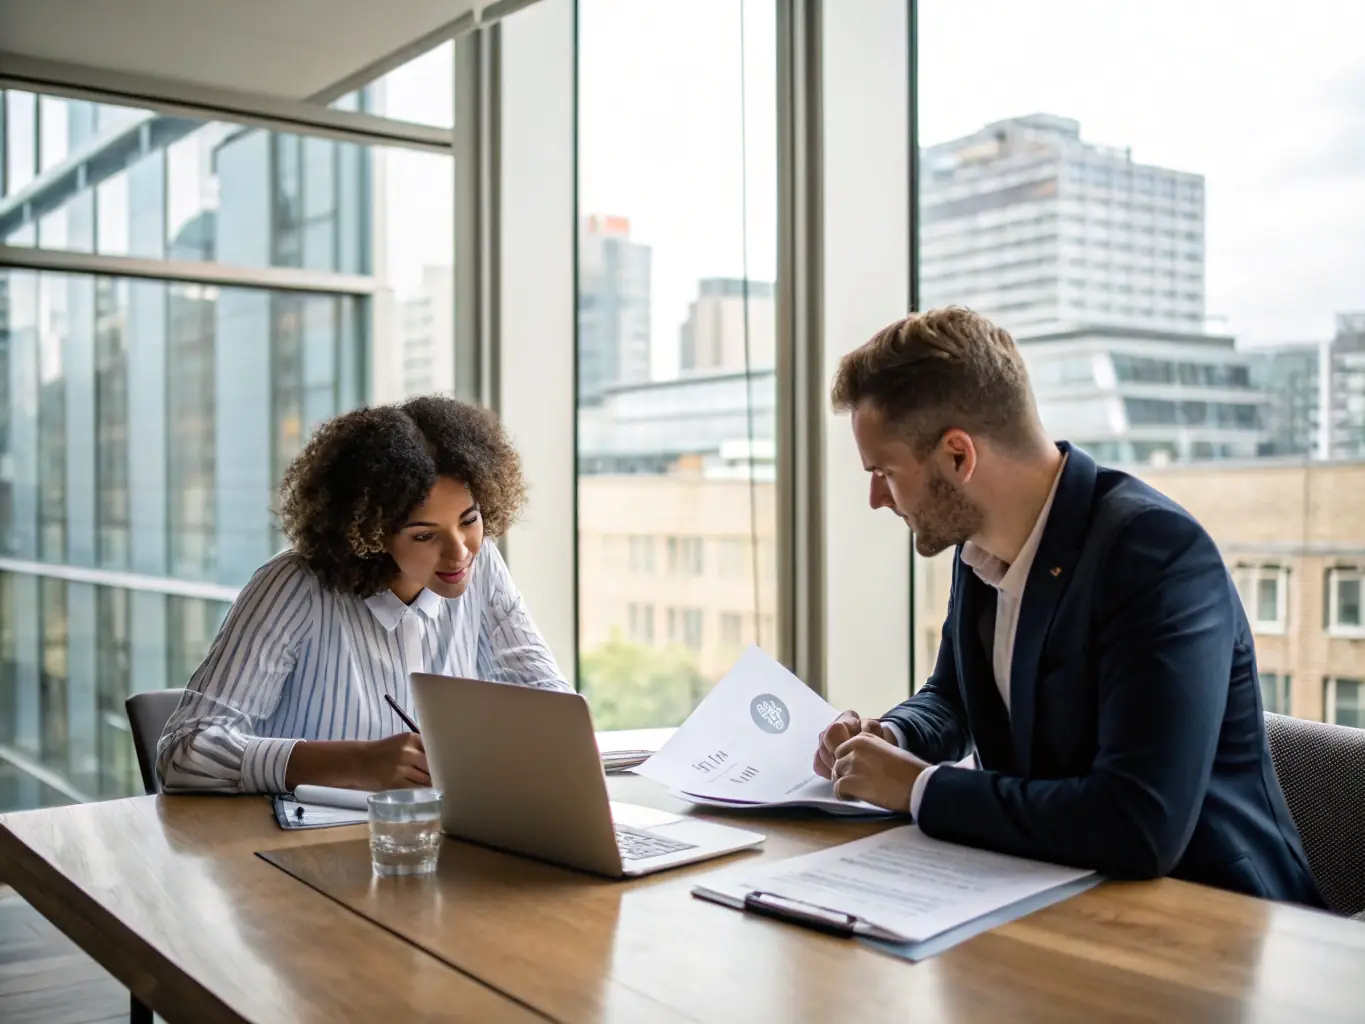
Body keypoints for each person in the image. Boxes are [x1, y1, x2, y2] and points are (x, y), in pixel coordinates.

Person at [815, 306, 1322, 905]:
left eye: (885, 472)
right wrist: (895, 737)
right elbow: (954, 698)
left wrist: (922, 788)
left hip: (1215, 920)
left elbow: (1138, 823)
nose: (877, 499)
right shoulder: (979, 542)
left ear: (958, 456)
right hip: (1054, 894)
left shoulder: (1155, 555)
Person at [157, 396, 570, 794]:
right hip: (303, 847)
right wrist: (357, 763)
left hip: (441, 836)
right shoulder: (294, 586)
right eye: (425, 535)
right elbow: (183, 753)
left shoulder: (482, 568)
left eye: (469, 520)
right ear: (370, 533)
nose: (459, 551)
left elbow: (558, 714)